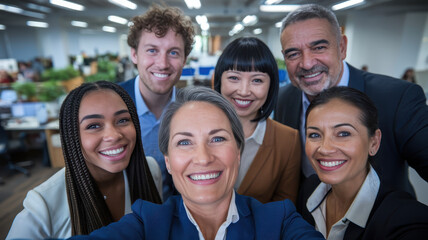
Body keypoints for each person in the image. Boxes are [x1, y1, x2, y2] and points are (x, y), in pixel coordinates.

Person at [69, 86, 324, 240]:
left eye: (217, 138)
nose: (203, 158)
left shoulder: (280, 221)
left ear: (237, 152)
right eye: (184, 142)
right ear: (168, 162)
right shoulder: (146, 223)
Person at [274, 4, 428, 195]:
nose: (306, 63)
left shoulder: (397, 98)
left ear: (342, 47)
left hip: (378, 221)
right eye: (293, 54)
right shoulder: (284, 98)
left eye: (319, 47)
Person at [7, 81, 162, 239]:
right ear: (72, 136)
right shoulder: (43, 204)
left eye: (122, 120)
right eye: (93, 126)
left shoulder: (150, 169)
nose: (114, 135)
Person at [297, 86, 428, 239]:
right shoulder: (308, 189)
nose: (325, 149)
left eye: (343, 133)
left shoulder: (410, 221)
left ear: (374, 142)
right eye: (314, 134)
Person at [119, 4, 195, 201]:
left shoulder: (191, 110)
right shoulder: (111, 103)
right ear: (134, 54)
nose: (162, 63)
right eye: (152, 50)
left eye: (173, 52)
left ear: (184, 59)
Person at [213, 37, 301, 204]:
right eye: (234, 78)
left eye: (257, 80)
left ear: (271, 85)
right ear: (219, 80)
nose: (244, 91)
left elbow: (284, 210)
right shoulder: (197, 129)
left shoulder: (288, 141)